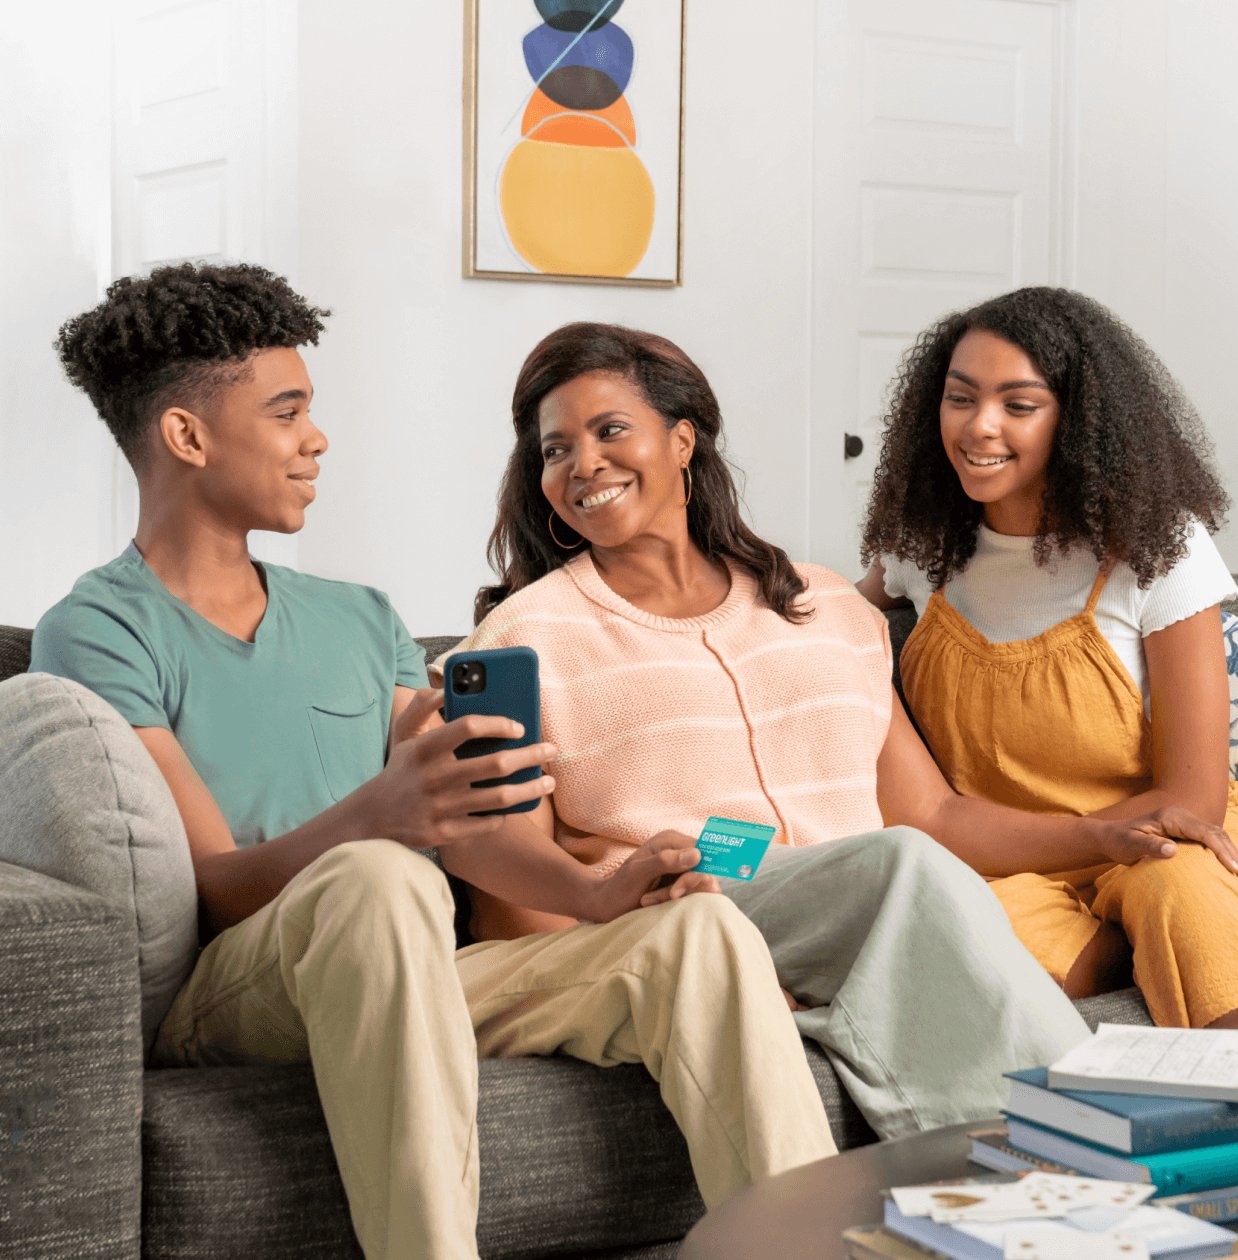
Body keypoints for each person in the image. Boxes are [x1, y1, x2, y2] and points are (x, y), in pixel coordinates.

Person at [28, 265, 840, 1260]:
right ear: (187, 437)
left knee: (699, 935)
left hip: (413, 967)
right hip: (242, 987)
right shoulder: (98, 629)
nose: (317, 439)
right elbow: (216, 889)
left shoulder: (359, 618)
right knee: (379, 878)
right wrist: (377, 814)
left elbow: (466, 826)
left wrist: (596, 890)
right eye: (287, 412)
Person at [425, 320, 1167, 1143]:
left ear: (682, 441)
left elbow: (932, 817)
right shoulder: (521, 641)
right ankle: (1090, 1147)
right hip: (678, 916)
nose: (582, 464)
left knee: (906, 865)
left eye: (609, 430)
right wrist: (676, 984)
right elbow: (508, 907)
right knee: (898, 866)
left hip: (862, 910)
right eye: (555, 450)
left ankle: (1051, 1160)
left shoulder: (826, 607)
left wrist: (1100, 834)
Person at [857, 285, 1238, 1030]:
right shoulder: (920, 548)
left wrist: (1118, 850)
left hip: (1164, 842)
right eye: (959, 398)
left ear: (1079, 424)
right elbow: (820, 629)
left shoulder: (1158, 549)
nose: (978, 426)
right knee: (952, 935)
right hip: (1008, 863)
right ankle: (1125, 951)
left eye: (1019, 405)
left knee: (1186, 895)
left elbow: (1191, 800)